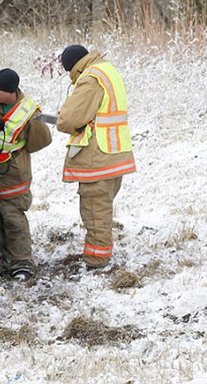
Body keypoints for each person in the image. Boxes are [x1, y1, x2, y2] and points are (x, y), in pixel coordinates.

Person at [57, 45, 136, 270]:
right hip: (114, 154)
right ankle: (100, 256)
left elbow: (68, 120)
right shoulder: (106, 70)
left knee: (94, 212)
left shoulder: (89, 79)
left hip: (97, 158)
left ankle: (97, 261)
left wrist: (64, 114)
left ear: (73, 67)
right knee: (102, 210)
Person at [0, 68, 52, 280]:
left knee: (13, 219)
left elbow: (42, 140)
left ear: (11, 92)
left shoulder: (29, 113)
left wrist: (15, 152)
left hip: (13, 176)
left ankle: (22, 261)